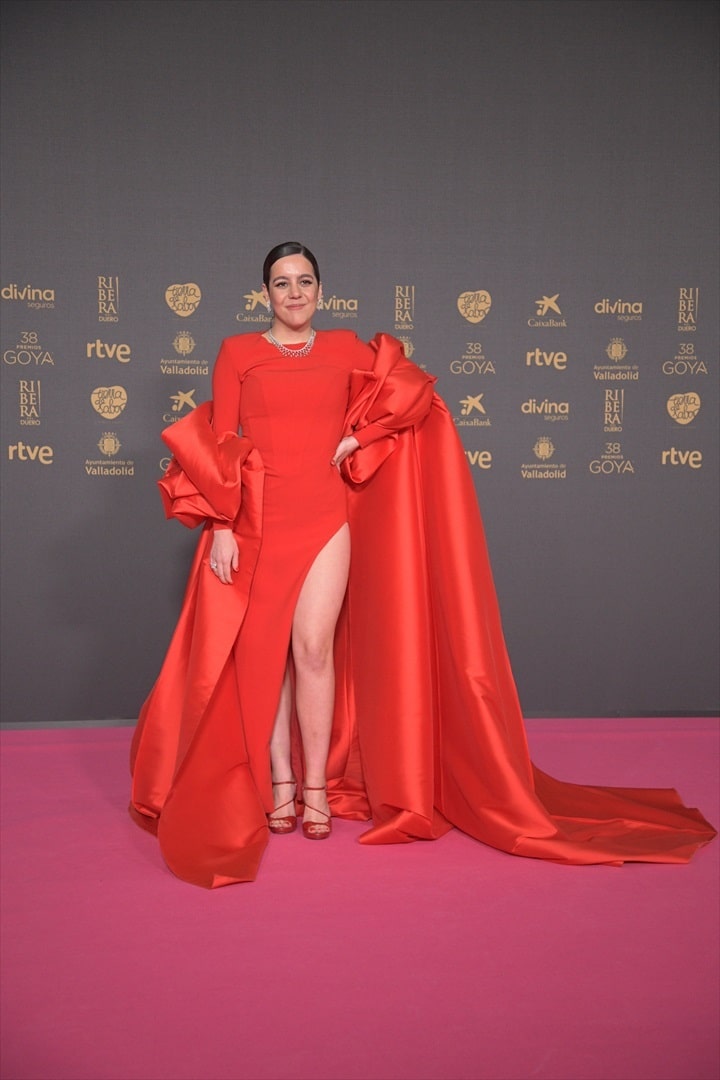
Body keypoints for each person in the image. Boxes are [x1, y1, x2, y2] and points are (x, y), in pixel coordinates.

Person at [130, 242, 716, 888]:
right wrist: (220, 524)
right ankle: (282, 783)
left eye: (304, 282)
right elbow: (220, 444)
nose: (293, 294)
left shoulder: (348, 348)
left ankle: (318, 786)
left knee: (314, 646)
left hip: (328, 516)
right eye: (280, 283)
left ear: (321, 291)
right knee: (266, 653)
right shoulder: (237, 352)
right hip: (259, 520)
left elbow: (410, 390)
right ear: (263, 294)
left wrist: (366, 434)